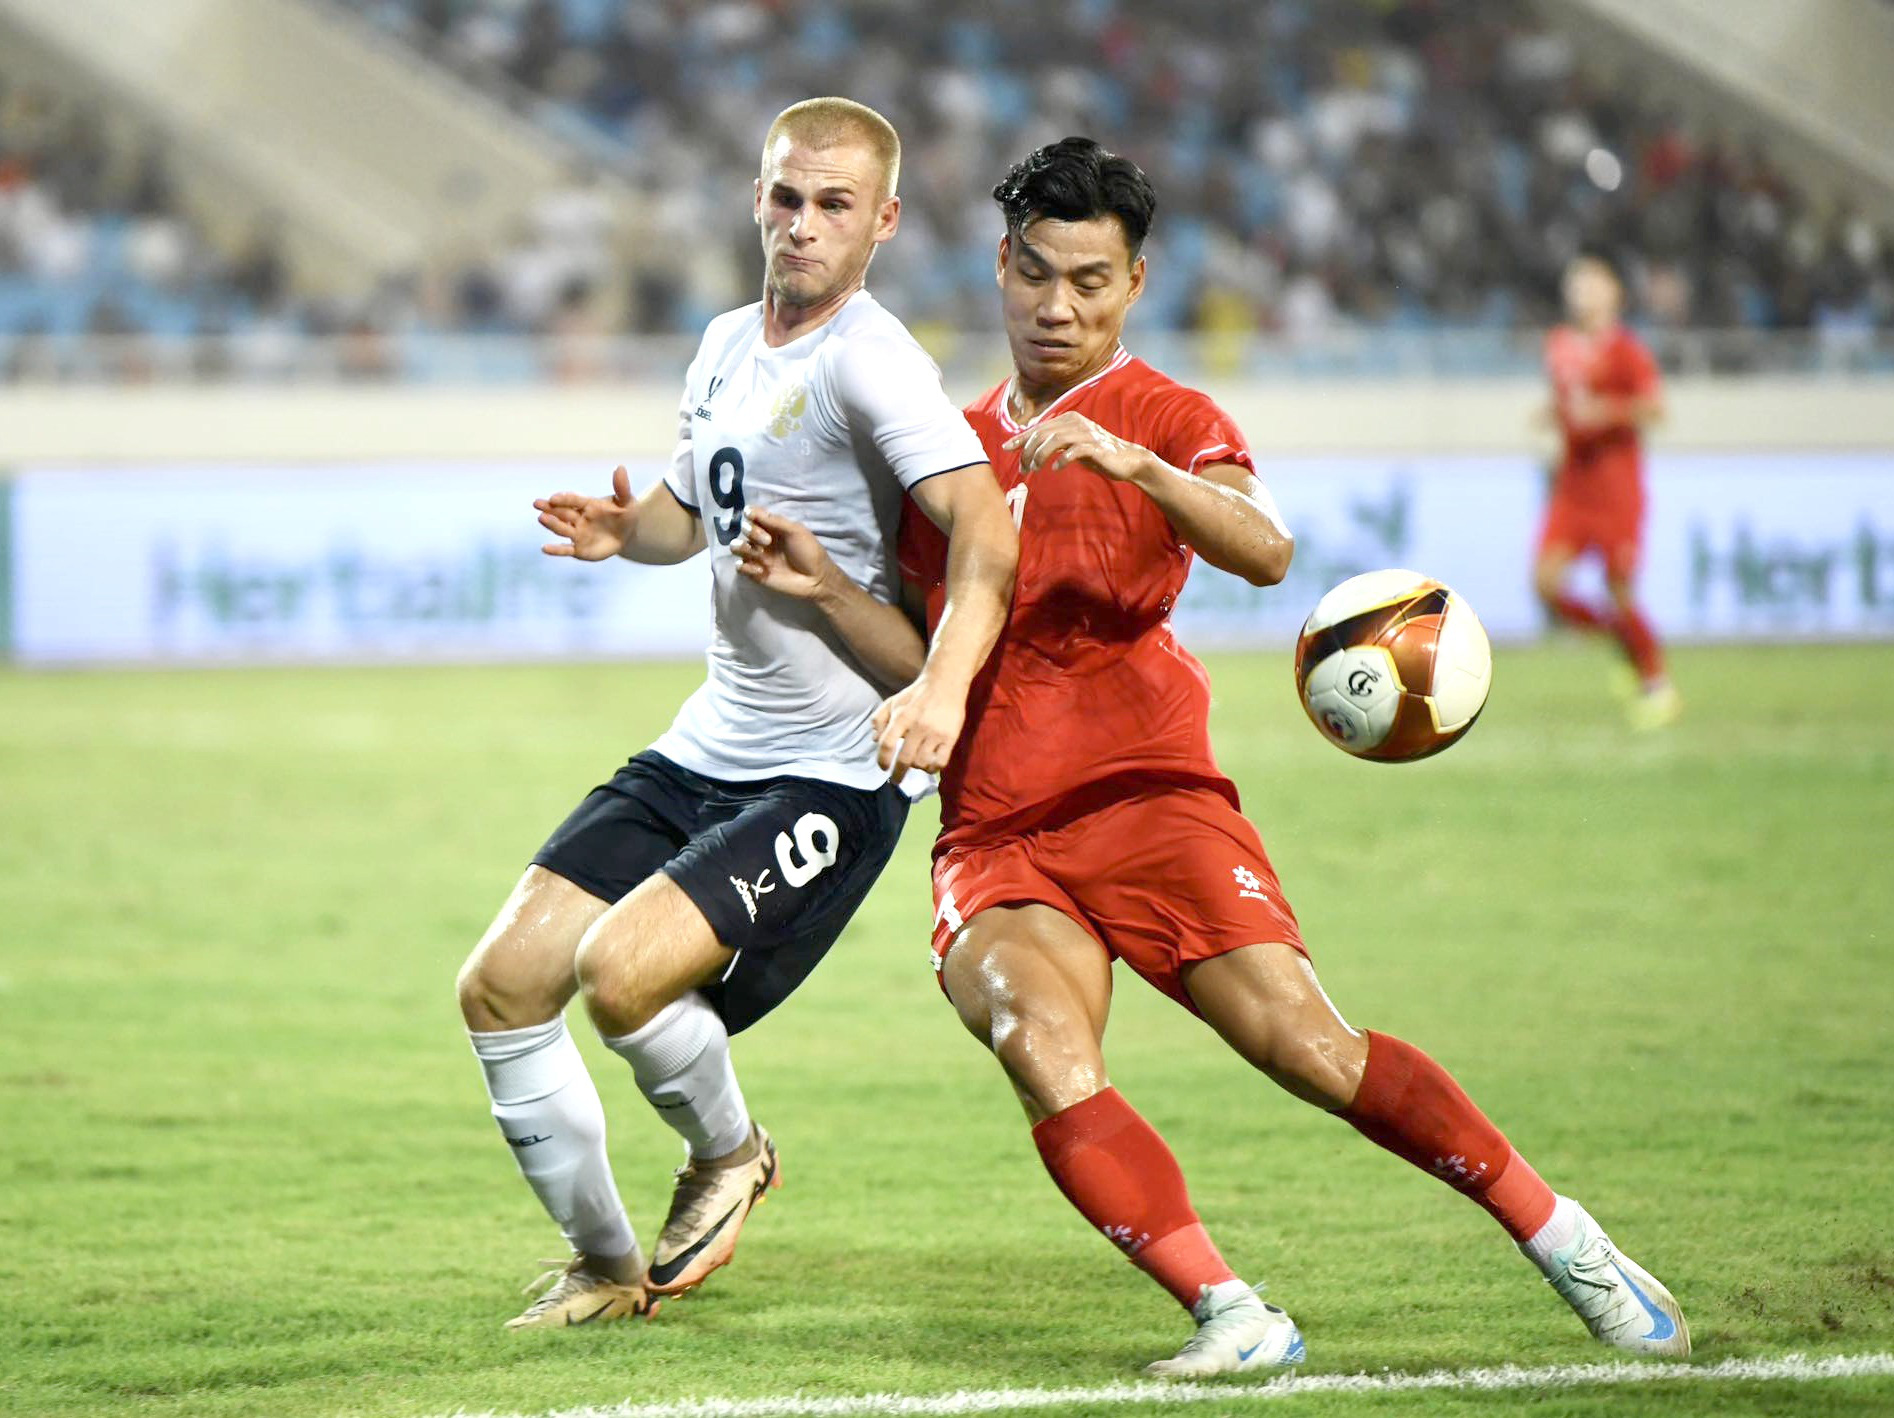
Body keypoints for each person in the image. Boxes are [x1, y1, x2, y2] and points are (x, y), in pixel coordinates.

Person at [732, 138, 1689, 1377]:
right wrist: (820, 590)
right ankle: (1232, 1312)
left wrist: (1138, 467)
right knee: (1035, 1037)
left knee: (1309, 1048)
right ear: (998, 267)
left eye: (1088, 279)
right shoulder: (945, 447)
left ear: (1136, 283)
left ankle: (1562, 1236)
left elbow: (1265, 548)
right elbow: (924, 651)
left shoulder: (1169, 415)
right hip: (995, 828)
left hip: (1151, 800)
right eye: (1034, 273)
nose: (1056, 305)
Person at [454, 97, 1016, 1330]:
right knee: (498, 985)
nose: (801, 226)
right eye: (784, 197)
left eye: (832, 206)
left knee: (623, 976)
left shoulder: (871, 358)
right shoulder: (721, 343)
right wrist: (627, 535)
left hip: (829, 770)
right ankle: (605, 1267)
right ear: (756, 195)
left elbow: (985, 528)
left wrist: (941, 686)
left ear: (883, 223)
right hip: (709, 742)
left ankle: (730, 1150)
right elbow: (684, 509)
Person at [1534, 254, 1677, 729]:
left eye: (1592, 281)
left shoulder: (1628, 350)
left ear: (1615, 292)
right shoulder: (1558, 345)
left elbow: (1656, 410)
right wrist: (1553, 415)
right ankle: (1623, 642)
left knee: (1619, 590)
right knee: (1546, 585)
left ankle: (1656, 682)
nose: (1581, 289)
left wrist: (1608, 411)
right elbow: (1568, 404)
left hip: (1617, 487)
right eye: (1576, 281)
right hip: (1573, 485)